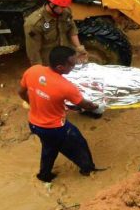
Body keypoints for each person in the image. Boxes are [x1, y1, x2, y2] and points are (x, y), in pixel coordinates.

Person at [18, 45, 104, 182]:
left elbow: (21, 92)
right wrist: (98, 106)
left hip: (34, 123)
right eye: (72, 65)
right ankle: (87, 169)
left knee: (49, 148)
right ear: (60, 67)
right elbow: (85, 105)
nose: (74, 67)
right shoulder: (65, 86)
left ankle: (44, 175)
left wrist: (34, 103)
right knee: (78, 143)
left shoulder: (33, 70)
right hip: (54, 128)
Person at [24, 0, 87, 66]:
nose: (64, 9)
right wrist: (40, 71)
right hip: (49, 64)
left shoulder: (65, 12)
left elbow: (72, 29)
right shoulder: (34, 24)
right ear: (52, 4)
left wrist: (79, 48)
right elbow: (33, 52)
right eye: (62, 7)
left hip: (64, 59)